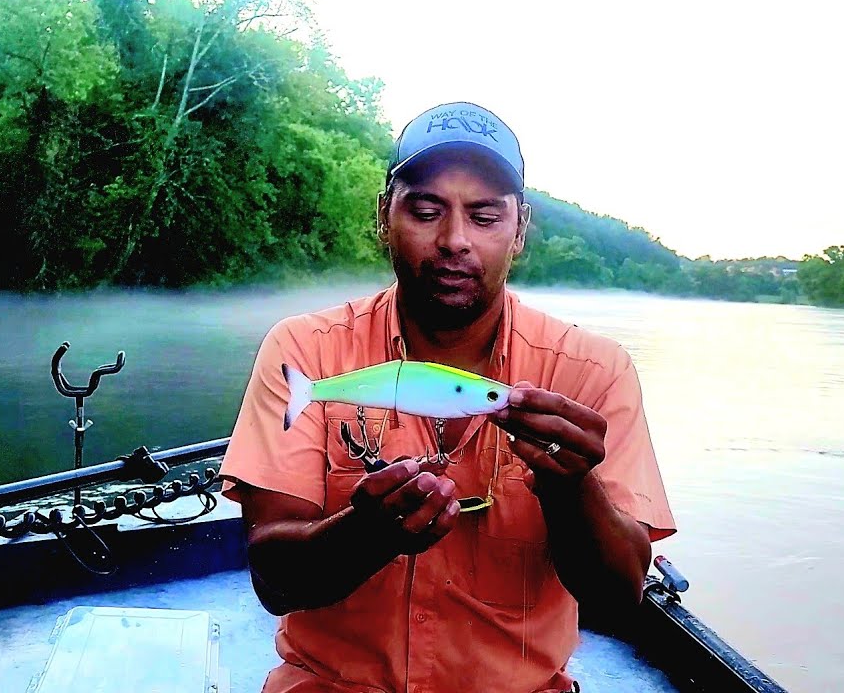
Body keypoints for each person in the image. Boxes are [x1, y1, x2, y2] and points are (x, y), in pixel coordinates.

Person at [218, 101, 677, 693]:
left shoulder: (595, 371)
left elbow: (618, 600)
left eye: (485, 216)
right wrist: (371, 533)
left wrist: (571, 489)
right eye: (427, 211)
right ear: (386, 216)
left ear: (520, 230)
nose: (454, 240)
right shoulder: (304, 350)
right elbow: (275, 581)